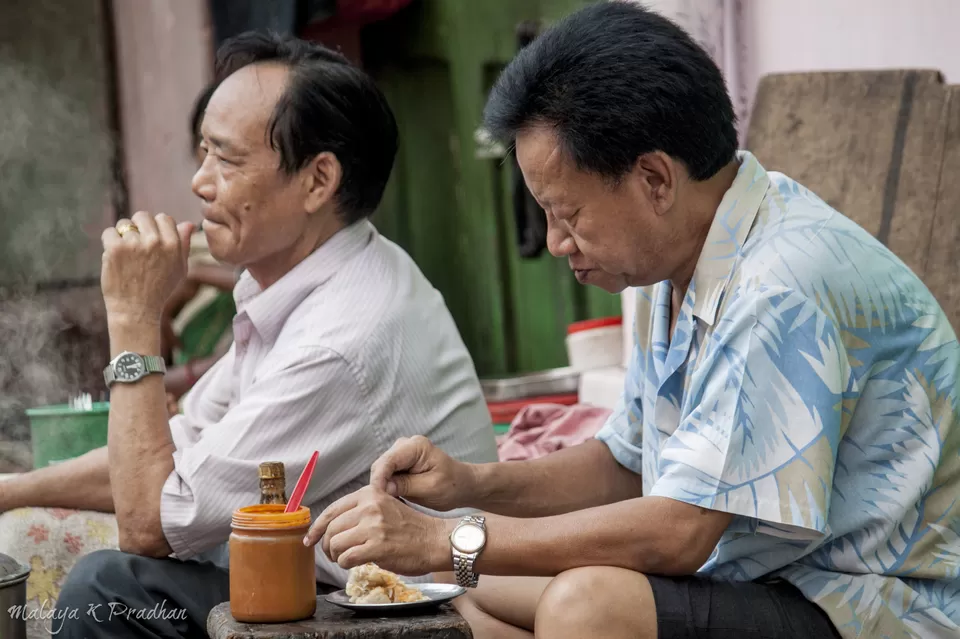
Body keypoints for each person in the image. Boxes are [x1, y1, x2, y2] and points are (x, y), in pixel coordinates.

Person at [303, 4, 960, 639]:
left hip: (874, 603)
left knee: (585, 606)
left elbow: (679, 533)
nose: (555, 242)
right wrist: (466, 486)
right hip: (765, 582)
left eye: (568, 214)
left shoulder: (778, 286)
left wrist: (447, 535)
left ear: (655, 180)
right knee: (463, 580)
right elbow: (627, 462)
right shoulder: (676, 261)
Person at [0, 30, 499, 637]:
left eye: (228, 160)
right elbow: (179, 449)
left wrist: (133, 319)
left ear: (317, 181)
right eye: (203, 152)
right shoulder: (309, 281)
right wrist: (12, 489)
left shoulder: (340, 340)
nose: (200, 182)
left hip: (401, 615)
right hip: (324, 587)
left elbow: (149, 522)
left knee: (107, 589)